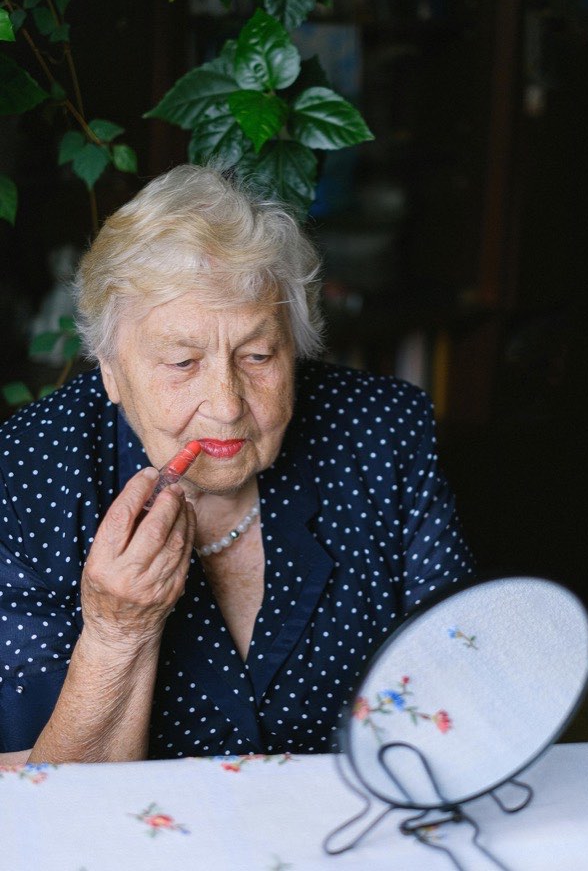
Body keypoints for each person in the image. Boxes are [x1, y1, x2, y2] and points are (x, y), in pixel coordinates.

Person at [0, 165, 474, 764]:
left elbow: (463, 677)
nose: (226, 407)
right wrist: (117, 635)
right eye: (181, 362)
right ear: (110, 371)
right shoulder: (27, 475)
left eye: (257, 355)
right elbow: (28, 798)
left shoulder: (379, 431)